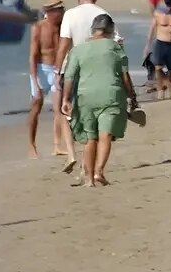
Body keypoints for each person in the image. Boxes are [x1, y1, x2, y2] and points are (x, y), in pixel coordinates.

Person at [59, 14, 138, 188]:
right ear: (110, 30)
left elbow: (69, 76)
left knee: (90, 137)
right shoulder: (115, 48)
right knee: (105, 135)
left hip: (85, 97)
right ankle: (98, 171)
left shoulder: (78, 50)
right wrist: (132, 96)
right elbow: (124, 76)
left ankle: (89, 179)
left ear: (93, 30)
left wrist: (65, 99)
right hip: (111, 94)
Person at [56, 0, 110, 173]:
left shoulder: (70, 14)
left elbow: (63, 45)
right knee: (92, 116)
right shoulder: (103, 14)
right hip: (97, 71)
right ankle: (88, 163)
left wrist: (57, 71)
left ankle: (71, 155)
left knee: (66, 112)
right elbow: (116, 43)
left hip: (73, 69)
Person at [28, 0, 68, 159]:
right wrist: (35, 80)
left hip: (58, 70)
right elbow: (32, 56)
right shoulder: (38, 28)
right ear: (50, 12)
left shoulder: (64, 27)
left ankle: (57, 145)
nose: (62, 13)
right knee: (36, 106)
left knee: (59, 109)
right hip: (41, 69)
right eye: (59, 11)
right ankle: (31, 145)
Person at [142, 0, 171, 101]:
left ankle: (169, 94)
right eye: (168, 5)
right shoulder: (158, 14)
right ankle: (161, 89)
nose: (169, 8)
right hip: (160, 43)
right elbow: (152, 28)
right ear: (165, 4)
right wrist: (147, 45)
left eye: (170, 6)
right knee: (157, 67)